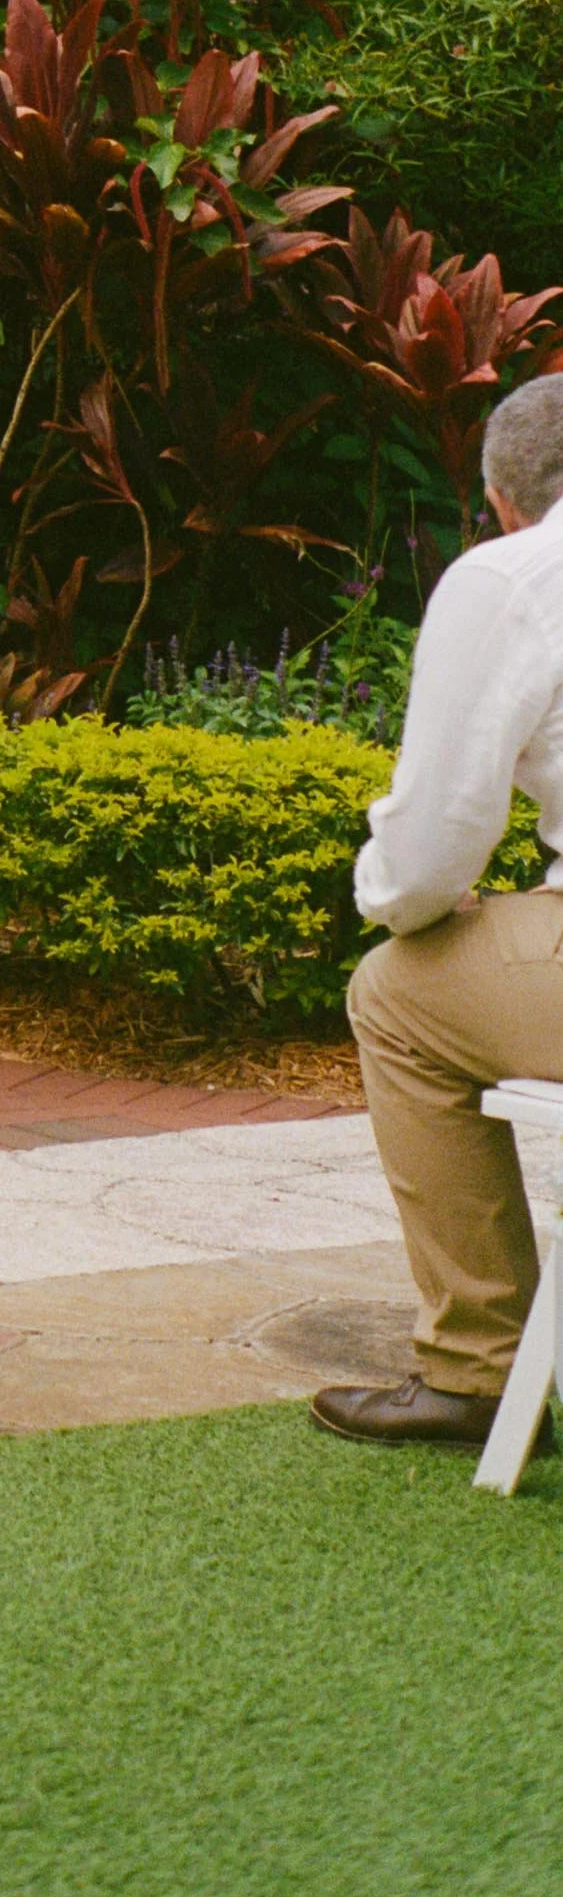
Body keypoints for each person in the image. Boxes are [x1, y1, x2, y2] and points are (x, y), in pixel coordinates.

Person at [314, 374, 563, 1447]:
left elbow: (427, 848)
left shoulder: (514, 574)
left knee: (397, 989)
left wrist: (400, 902)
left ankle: (475, 1366)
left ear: (505, 498)